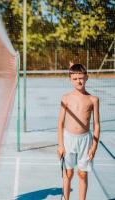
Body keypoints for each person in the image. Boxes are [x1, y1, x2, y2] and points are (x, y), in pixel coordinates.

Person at [57, 64, 100, 200]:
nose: (78, 81)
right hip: (68, 139)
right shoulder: (66, 98)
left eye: (81, 78)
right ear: (70, 79)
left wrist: (94, 147)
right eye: (75, 79)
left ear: (87, 77)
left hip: (85, 141)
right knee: (68, 173)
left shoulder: (93, 99)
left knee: (82, 174)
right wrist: (60, 145)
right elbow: (60, 123)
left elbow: (97, 125)